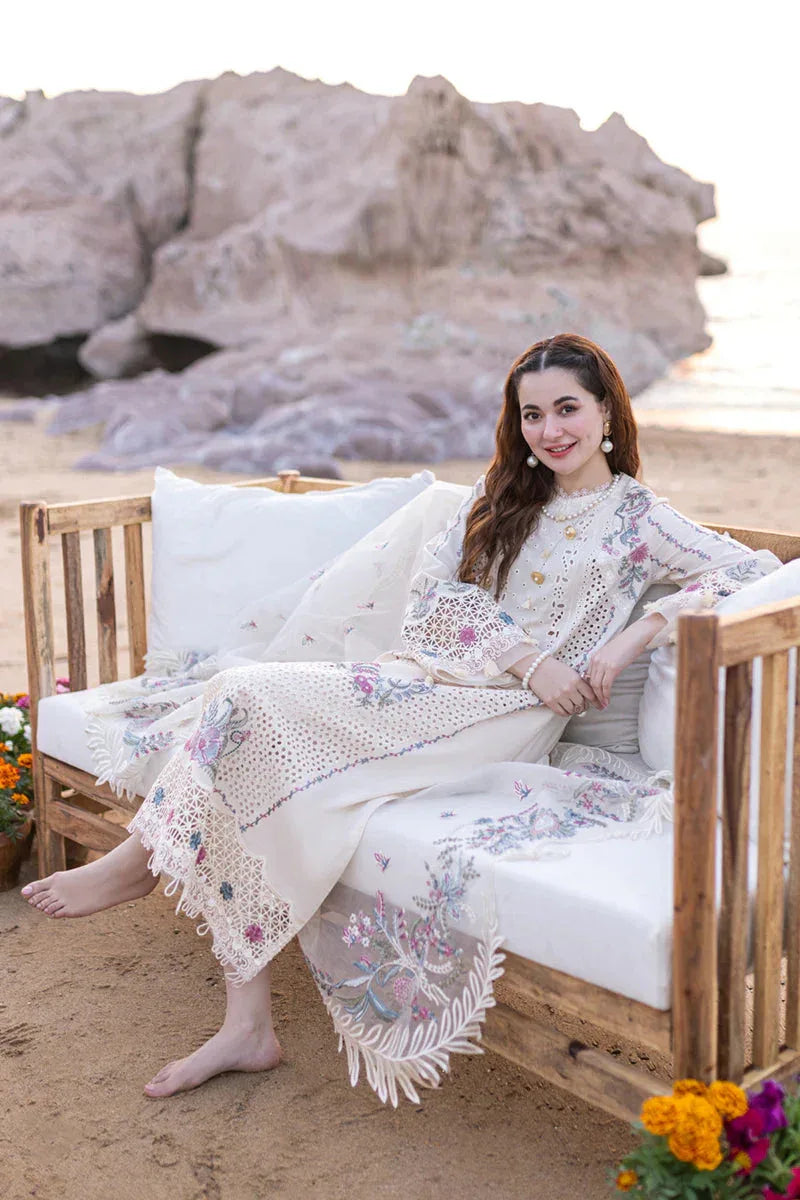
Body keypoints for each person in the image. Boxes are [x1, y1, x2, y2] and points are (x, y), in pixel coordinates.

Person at [21, 333, 771, 1098]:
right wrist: (529, 656)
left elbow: (756, 572)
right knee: (247, 718)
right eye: (533, 414)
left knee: (244, 696)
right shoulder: (502, 496)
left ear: (608, 411)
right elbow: (431, 592)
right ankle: (246, 1024)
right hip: (426, 681)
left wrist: (637, 634)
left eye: (568, 409)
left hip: (504, 717)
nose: (550, 430)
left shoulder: (639, 517)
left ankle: (141, 863)